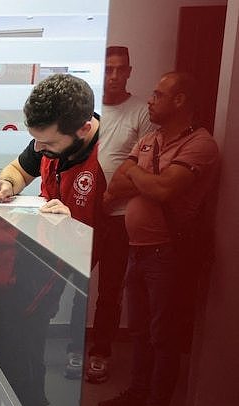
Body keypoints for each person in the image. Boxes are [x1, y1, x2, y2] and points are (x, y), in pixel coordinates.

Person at [98, 72, 220, 406]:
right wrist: (140, 176)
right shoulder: (150, 139)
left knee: (162, 335)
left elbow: (165, 190)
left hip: (169, 254)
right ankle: (137, 394)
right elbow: (114, 188)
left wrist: (137, 173)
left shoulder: (201, 145)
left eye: (158, 94)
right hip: (138, 250)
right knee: (138, 330)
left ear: (180, 100)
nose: (150, 100)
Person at [0, 73, 106, 380]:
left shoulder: (111, 156)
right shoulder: (45, 143)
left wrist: (74, 224)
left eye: (48, 142)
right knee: (25, 344)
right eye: (35, 139)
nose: (39, 148)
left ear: (84, 129)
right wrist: (6, 185)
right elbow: (19, 170)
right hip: (44, 263)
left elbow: (121, 234)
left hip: (85, 270)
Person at [89, 45, 154, 383]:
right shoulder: (89, 110)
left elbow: (145, 168)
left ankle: (100, 353)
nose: (113, 76)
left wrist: (111, 195)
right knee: (74, 283)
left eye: (120, 69)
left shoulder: (141, 112)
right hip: (84, 214)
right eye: (107, 68)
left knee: (110, 290)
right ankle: (73, 347)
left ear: (129, 71)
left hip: (118, 217)